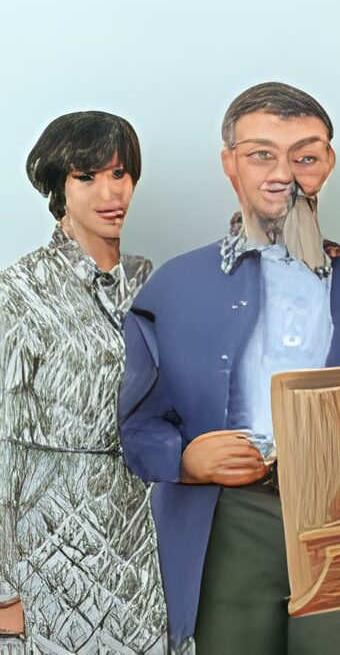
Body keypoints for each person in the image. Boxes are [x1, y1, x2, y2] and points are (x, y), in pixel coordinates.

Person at [118, 82, 340, 654]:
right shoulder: (175, 285)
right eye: (261, 155)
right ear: (230, 163)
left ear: (327, 163)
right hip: (231, 520)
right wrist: (185, 459)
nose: (282, 175)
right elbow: (137, 423)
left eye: (304, 156)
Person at [0, 111, 167, 653]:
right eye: (87, 176)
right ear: (58, 187)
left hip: (142, 534)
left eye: (120, 173)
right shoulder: (18, 293)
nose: (110, 192)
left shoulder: (149, 282)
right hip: (50, 540)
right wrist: (3, 591)